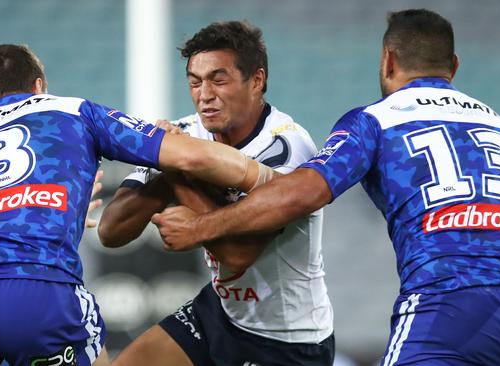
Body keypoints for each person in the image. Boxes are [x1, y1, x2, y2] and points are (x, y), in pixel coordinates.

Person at [153, 9, 500, 365]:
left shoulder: (377, 119)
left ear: (388, 60)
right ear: (453, 65)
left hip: (448, 300)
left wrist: (198, 227)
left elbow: (302, 193)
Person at [0, 44, 276, 366]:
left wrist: (56, 215)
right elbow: (189, 157)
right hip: (38, 289)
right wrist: (269, 182)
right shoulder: (71, 110)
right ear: (39, 88)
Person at [98, 21, 335, 366]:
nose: (204, 95)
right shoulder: (185, 133)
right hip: (220, 314)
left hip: (288, 338)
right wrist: (172, 169)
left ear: (256, 80)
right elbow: (111, 230)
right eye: (195, 82)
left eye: (218, 80)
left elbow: (239, 254)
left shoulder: (287, 147)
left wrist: (178, 166)